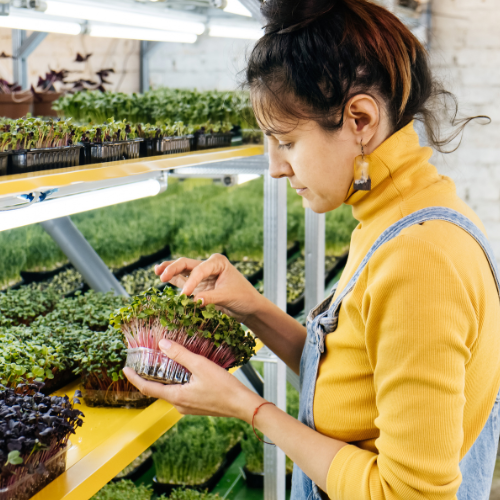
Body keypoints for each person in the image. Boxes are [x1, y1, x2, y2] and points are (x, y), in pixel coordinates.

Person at [123, 0, 500, 498]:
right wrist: (253, 308)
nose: (277, 168)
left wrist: (248, 408)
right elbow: (357, 381)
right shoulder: (400, 214)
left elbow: (409, 493)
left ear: (359, 119)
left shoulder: (419, 257)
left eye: (287, 142)